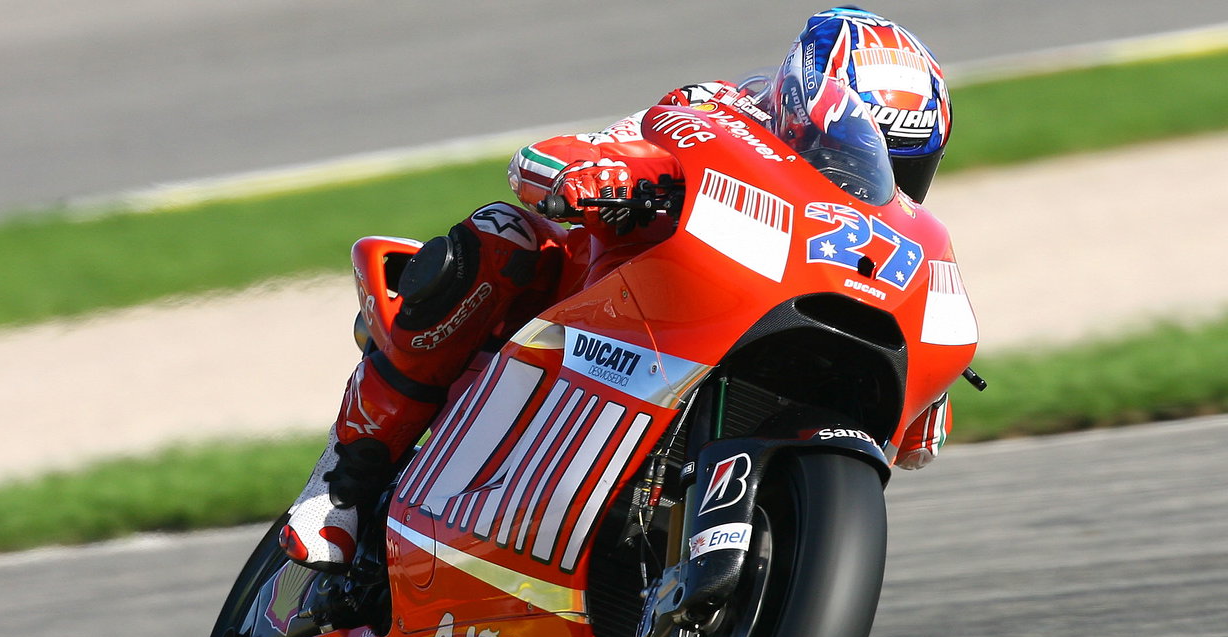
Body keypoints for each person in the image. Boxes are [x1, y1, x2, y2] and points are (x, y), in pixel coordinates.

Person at [281, 7, 955, 572]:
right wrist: (599, 175)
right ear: (803, 109)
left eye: (905, 165)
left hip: (740, 327)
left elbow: (919, 449)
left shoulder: (886, 236)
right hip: (588, 313)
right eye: (861, 148)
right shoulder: (712, 112)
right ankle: (344, 482)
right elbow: (545, 161)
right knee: (503, 238)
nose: (875, 173)